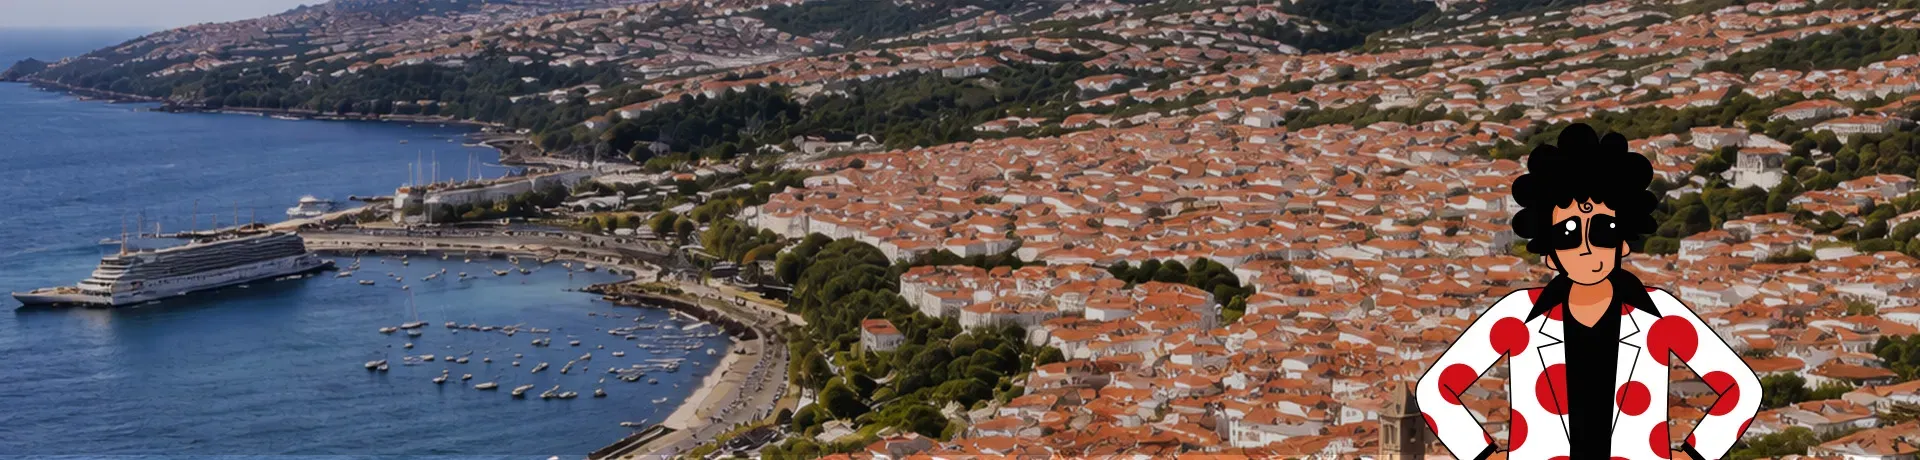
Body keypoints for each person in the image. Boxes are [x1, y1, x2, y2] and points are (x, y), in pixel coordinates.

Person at [1415, 124, 1760, 460]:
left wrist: (1694, 455)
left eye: (1603, 230)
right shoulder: (1517, 315)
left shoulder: (1660, 314)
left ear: (1623, 241)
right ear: (1549, 251)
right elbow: (1435, 391)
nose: (1585, 247)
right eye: (1567, 234)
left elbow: (1742, 389)